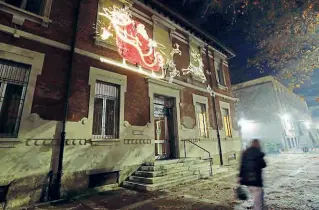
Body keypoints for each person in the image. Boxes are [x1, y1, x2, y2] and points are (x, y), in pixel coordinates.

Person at [238, 139, 267, 210]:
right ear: (258, 144)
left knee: (258, 198)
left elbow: (242, 166)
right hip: (256, 182)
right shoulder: (258, 153)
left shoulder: (245, 152)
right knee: (258, 204)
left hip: (247, 181)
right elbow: (263, 164)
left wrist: (240, 177)